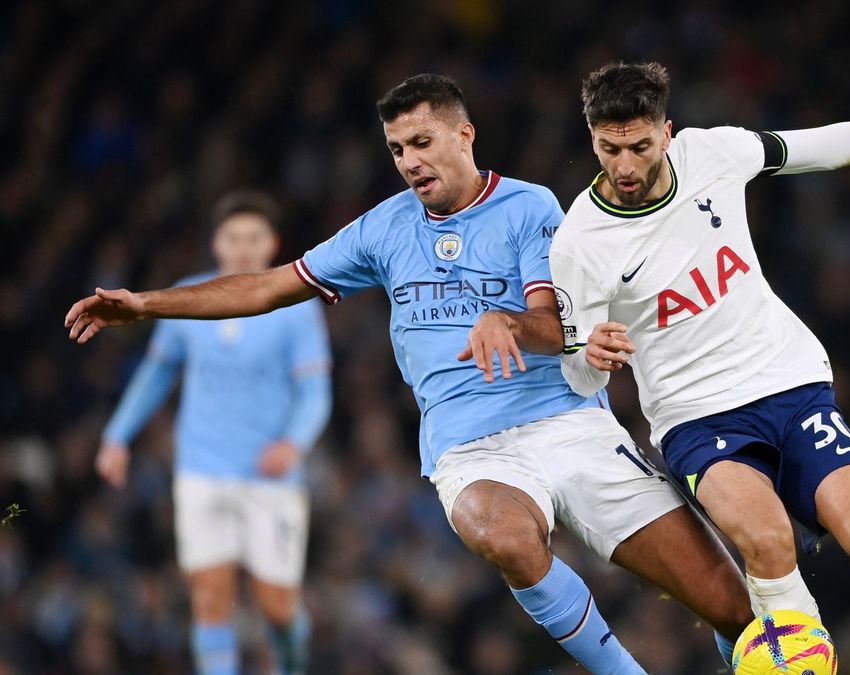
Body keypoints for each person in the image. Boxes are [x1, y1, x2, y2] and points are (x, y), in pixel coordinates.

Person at [68, 74, 753, 674]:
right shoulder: (381, 229)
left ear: (465, 135)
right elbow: (269, 286)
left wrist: (506, 322)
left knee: (736, 611)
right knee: (505, 533)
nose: (408, 161)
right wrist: (148, 302)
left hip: (570, 422)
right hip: (471, 448)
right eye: (397, 149)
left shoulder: (530, 208)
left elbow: (557, 327)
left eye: (422, 142)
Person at [550, 61, 850, 675]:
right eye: (608, 148)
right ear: (592, 139)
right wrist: (588, 355)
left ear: (667, 133)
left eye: (639, 146)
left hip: (790, 386)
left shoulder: (716, 154)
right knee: (767, 542)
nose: (624, 166)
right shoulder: (580, 242)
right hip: (695, 420)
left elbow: (830, 145)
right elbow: (581, 379)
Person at [96, 191, 333, 675]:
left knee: (277, 608)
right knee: (210, 598)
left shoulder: (296, 306)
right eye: (234, 238)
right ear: (216, 244)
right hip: (201, 468)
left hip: (270, 478)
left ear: (274, 244)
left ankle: (293, 663)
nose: (243, 248)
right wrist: (117, 435)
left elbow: (315, 391)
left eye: (254, 238)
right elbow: (157, 373)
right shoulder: (189, 297)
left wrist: (294, 442)